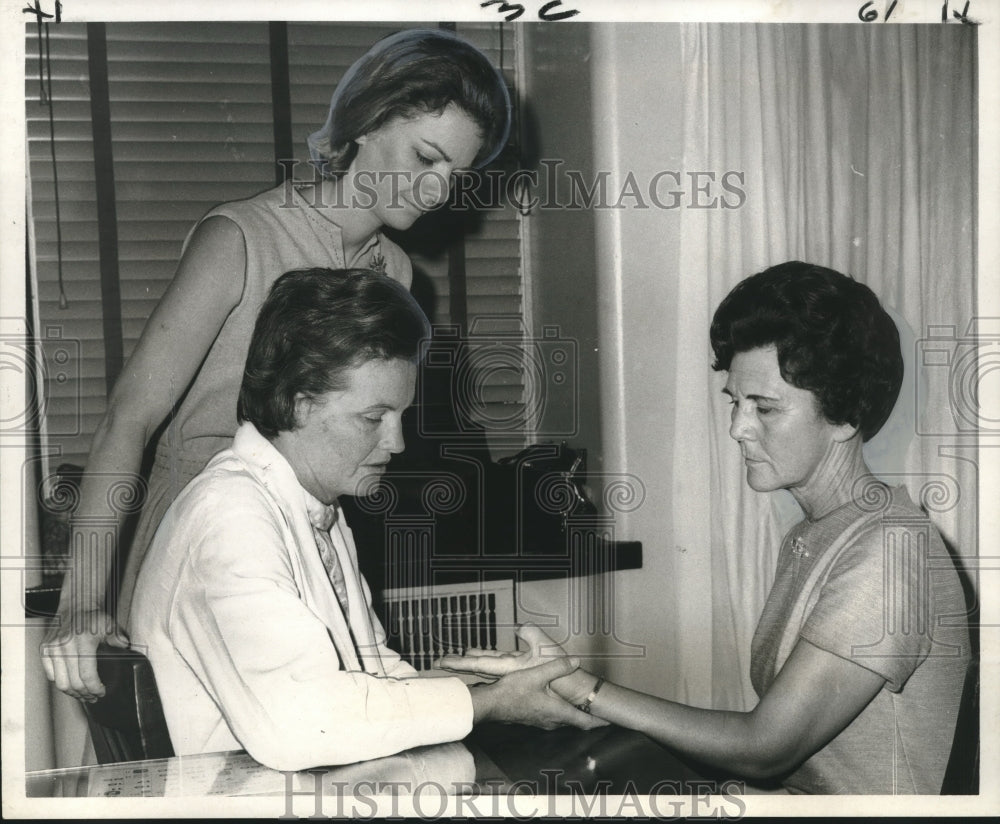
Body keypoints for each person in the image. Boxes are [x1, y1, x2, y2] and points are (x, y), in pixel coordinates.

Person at [41, 28, 511, 701]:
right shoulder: (238, 238)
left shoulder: (398, 274)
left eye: (457, 176)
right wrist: (82, 598)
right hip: (203, 543)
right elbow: (128, 417)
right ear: (369, 122)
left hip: (311, 548)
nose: (439, 190)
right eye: (426, 158)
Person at [442, 261, 972, 794]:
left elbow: (766, 749)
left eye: (765, 408)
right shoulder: (819, 534)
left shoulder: (889, 554)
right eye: (736, 402)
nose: (738, 428)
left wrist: (583, 688)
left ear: (846, 416)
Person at [128, 268, 601, 771]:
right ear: (296, 402)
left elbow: (372, 678)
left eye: (401, 416)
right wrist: (492, 702)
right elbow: (302, 724)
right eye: (373, 418)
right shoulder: (231, 515)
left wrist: (496, 686)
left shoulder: (315, 507)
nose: (396, 443)